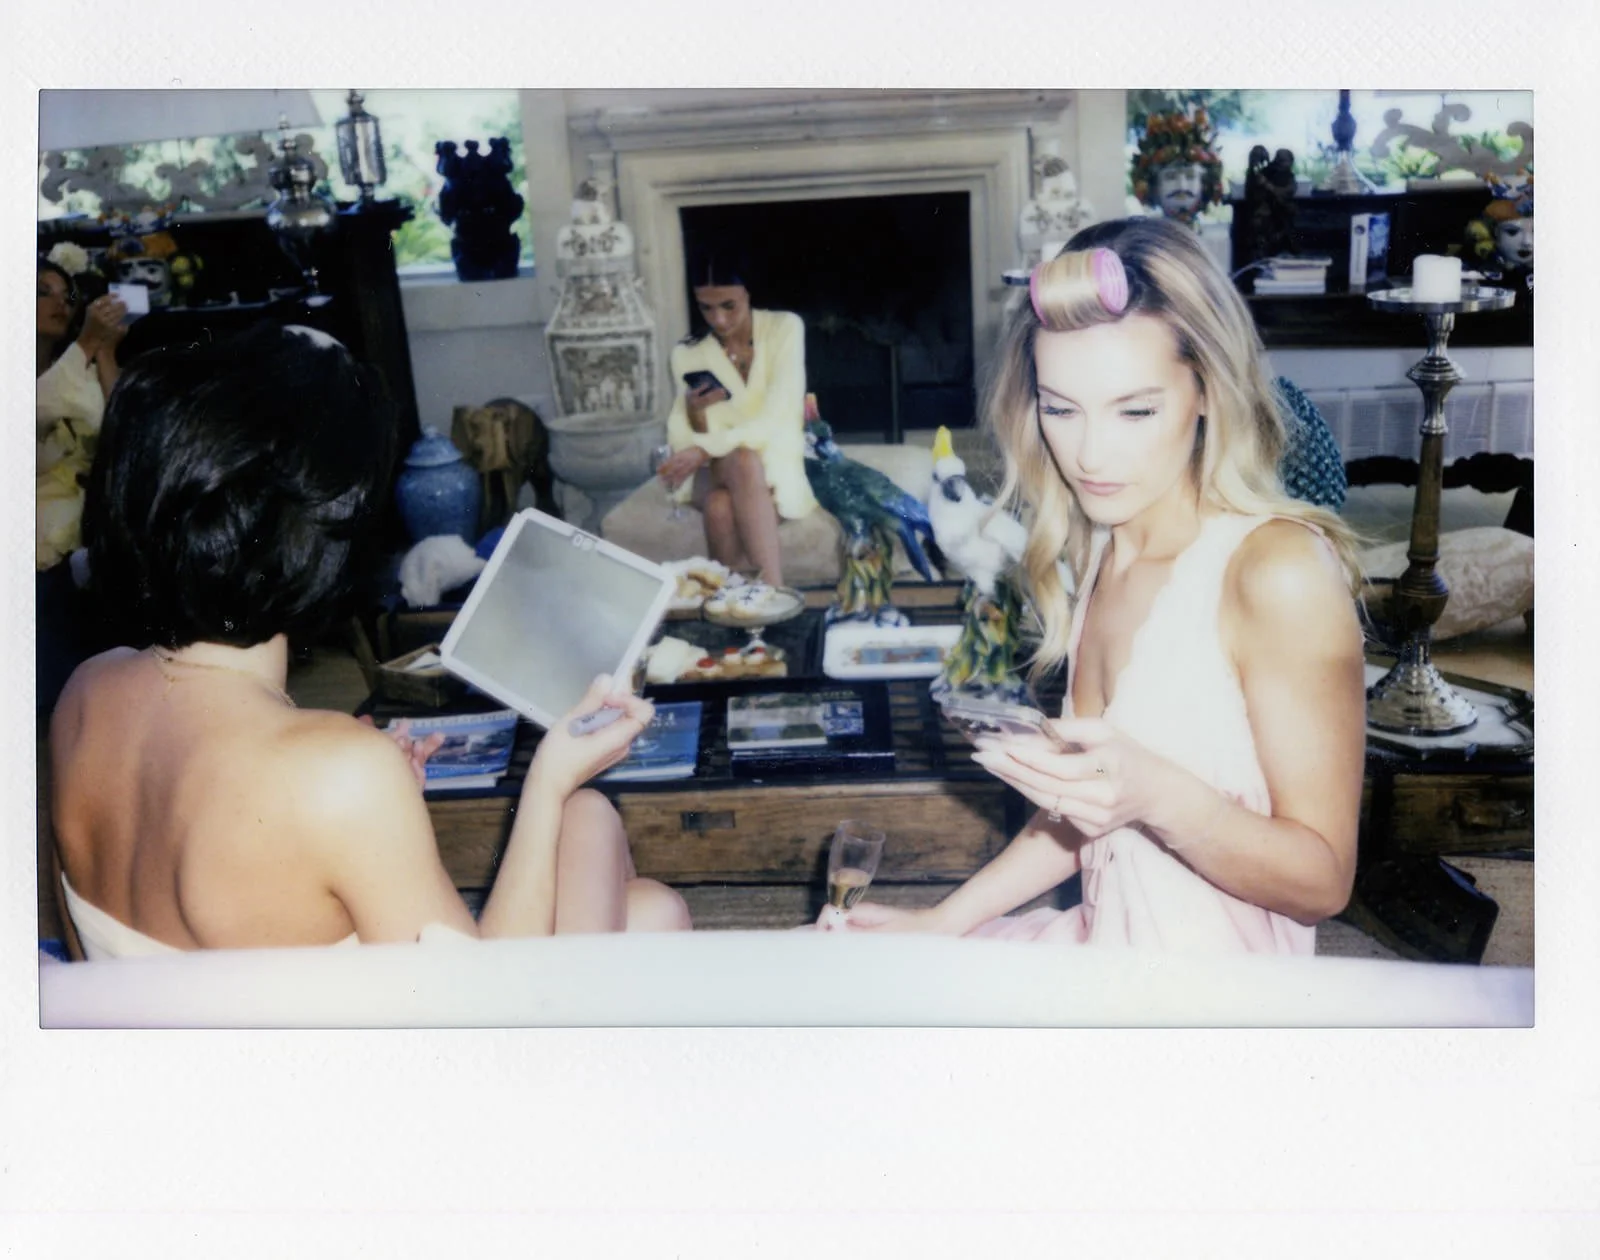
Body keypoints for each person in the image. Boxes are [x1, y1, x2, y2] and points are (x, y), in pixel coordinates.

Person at [50, 323, 689, 959]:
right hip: (360, 1055)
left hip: (182, 1041)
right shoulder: (342, 772)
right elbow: (487, 1016)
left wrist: (356, 804)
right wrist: (546, 780)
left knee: (613, 853)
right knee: (636, 890)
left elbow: (84, 957)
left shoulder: (86, 691)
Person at [826, 217, 1367, 954]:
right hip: (1102, 946)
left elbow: (1324, 882)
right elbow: (1087, 814)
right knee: (836, 964)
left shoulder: (1277, 571)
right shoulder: (1110, 541)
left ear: (1208, 390)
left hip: (1213, 1010)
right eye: (1060, 408)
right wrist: (940, 923)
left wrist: (1157, 796)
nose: (1090, 454)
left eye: (1135, 410)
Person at [653, 252, 818, 586]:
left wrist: (703, 449)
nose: (719, 320)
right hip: (716, 468)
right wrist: (696, 413)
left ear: (750, 294)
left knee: (720, 506)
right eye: (706, 307)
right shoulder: (688, 352)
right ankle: (774, 595)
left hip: (774, 460)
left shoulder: (785, 328)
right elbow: (684, 436)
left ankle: (731, 604)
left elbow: (778, 415)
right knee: (742, 461)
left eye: (729, 306)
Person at [37, 257, 127, 713]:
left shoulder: (78, 366)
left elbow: (124, 426)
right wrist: (88, 342)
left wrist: (105, 351)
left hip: (85, 548)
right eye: (42, 292)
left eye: (65, 294)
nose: (60, 302)